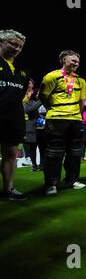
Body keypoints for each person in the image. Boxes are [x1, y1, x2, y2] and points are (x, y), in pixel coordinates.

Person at [39, 50, 86, 195]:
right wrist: (53, 110)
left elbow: (81, 102)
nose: (76, 63)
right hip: (57, 119)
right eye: (73, 60)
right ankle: (51, 184)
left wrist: (77, 115)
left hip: (75, 120)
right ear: (63, 60)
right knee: (54, 152)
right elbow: (43, 96)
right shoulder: (51, 76)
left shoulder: (81, 80)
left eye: (77, 61)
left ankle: (72, 180)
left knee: (75, 152)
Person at [0, 29, 29, 200]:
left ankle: (8, 190)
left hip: (13, 118)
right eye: (13, 44)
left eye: (20, 46)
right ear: (1, 43)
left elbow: (19, 95)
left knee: (11, 155)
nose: (17, 49)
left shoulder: (23, 71)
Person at [23, 79, 44, 171]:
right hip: (32, 127)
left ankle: (42, 165)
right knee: (32, 147)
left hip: (43, 127)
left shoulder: (46, 103)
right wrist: (40, 102)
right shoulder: (30, 102)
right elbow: (28, 110)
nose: (40, 94)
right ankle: (34, 165)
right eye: (38, 93)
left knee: (43, 147)